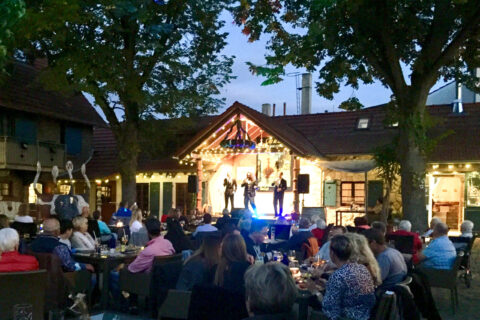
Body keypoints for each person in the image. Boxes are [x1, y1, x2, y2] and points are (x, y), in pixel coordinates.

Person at [321, 235, 376, 320]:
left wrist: (315, 292)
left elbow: (329, 308)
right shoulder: (362, 268)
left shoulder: (338, 276)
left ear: (332, 253)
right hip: (366, 315)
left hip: (346, 317)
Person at [30, 218, 94, 272]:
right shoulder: (60, 247)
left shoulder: (32, 244)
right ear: (57, 231)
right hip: (62, 279)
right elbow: (70, 266)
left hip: (38, 277)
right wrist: (85, 266)